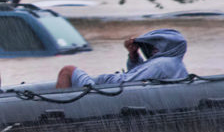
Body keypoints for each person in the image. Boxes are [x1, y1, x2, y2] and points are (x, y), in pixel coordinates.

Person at [56, 29, 188, 88]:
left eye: (158, 45)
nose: (153, 47)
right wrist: (134, 55)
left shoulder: (161, 64)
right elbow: (140, 76)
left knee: (68, 70)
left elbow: (127, 81)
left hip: (108, 93)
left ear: (170, 47)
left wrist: (100, 79)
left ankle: (56, 114)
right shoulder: (175, 64)